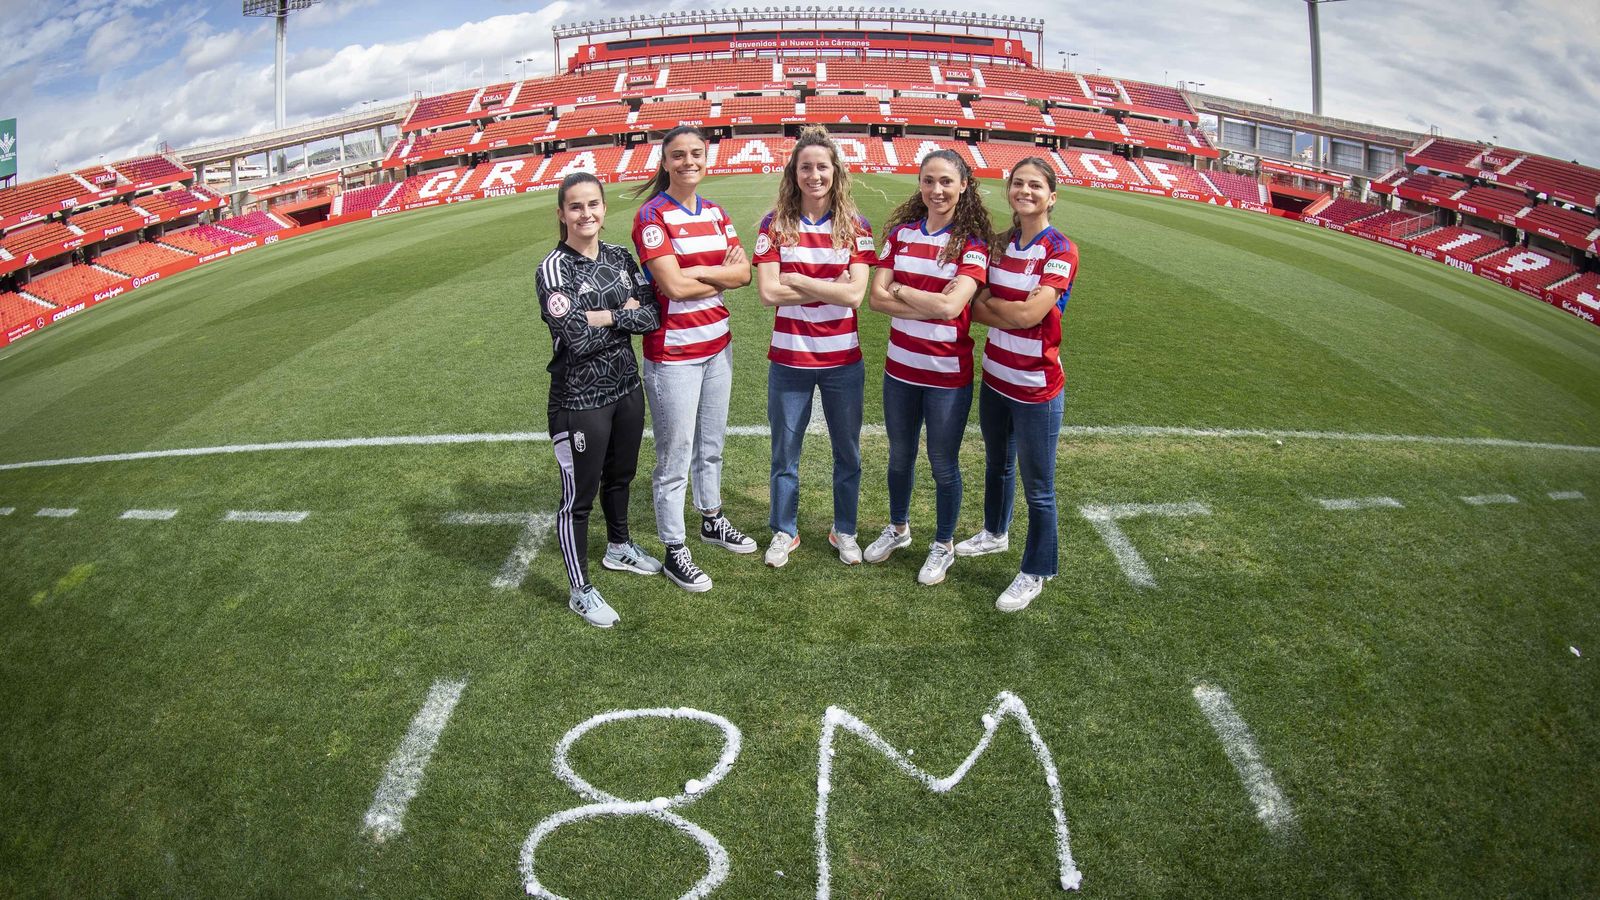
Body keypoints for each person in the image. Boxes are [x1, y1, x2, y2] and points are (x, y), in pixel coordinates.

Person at [631, 125, 757, 593]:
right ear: (665, 163)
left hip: (717, 346)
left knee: (712, 445)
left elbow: (745, 273)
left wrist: (701, 272)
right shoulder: (651, 216)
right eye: (678, 155)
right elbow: (674, 288)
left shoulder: (717, 212)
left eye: (696, 154)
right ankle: (674, 548)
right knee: (675, 456)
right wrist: (718, 274)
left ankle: (711, 518)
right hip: (674, 355)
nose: (688, 162)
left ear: (707, 159)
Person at [536, 172, 664, 628]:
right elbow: (575, 339)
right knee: (578, 499)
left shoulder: (619, 256)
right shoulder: (554, 269)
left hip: (626, 388)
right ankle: (580, 590)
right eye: (576, 206)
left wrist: (604, 315)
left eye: (593, 204)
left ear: (604, 208)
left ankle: (619, 547)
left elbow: (651, 317)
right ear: (561, 214)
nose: (586, 214)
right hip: (580, 399)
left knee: (621, 476)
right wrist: (622, 312)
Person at [862, 149, 992, 585]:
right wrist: (930, 302)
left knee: (942, 463)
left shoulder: (971, 242)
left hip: (947, 377)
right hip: (900, 369)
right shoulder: (900, 235)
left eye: (946, 182)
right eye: (929, 180)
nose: (937, 190)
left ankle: (943, 544)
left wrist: (902, 289)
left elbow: (954, 306)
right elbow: (876, 299)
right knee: (899, 457)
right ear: (919, 183)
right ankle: (898, 528)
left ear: (963, 186)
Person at [753, 126, 876, 568]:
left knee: (848, 452)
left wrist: (799, 280)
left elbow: (856, 296)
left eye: (822, 166)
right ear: (795, 173)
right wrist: (831, 286)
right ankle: (784, 531)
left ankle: (844, 529)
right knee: (785, 453)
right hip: (789, 359)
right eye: (806, 167)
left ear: (835, 171)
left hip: (843, 360)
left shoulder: (856, 227)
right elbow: (768, 294)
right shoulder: (775, 225)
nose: (814, 175)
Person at [961, 157, 1079, 612]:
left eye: (1035, 186)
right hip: (996, 377)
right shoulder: (999, 243)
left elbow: (1031, 315)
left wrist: (999, 309)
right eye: (1018, 184)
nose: (1024, 191)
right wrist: (1010, 310)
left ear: (1052, 196)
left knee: (1039, 487)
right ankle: (994, 533)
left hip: (1036, 387)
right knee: (997, 465)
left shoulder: (1060, 249)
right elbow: (974, 306)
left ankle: (1035, 571)